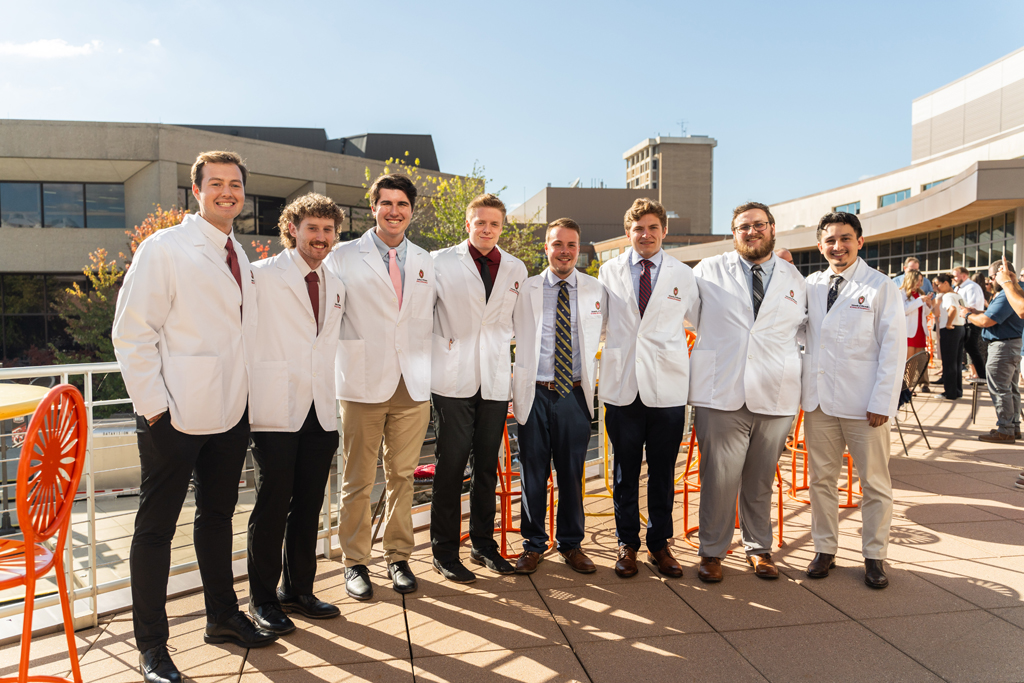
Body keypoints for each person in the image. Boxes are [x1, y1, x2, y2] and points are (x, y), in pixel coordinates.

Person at [112, 151, 275, 683]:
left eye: (235, 184)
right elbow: (132, 333)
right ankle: (153, 647)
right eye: (216, 183)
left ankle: (222, 617)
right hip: (173, 417)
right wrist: (155, 411)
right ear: (196, 190)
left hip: (229, 414)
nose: (227, 192)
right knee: (156, 530)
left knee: (216, 517)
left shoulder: (237, 252)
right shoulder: (165, 248)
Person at [325, 173, 436, 600]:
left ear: (412, 209)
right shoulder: (343, 256)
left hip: (412, 383)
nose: (394, 211)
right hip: (361, 381)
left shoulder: (427, 261)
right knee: (356, 478)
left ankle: (399, 556)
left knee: (402, 476)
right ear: (373, 207)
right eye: (385, 203)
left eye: (402, 204)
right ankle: (355, 562)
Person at [688, 202, 807, 583]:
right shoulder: (707, 271)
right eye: (743, 227)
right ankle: (713, 551)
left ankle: (759, 549)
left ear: (772, 229)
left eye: (759, 225)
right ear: (734, 232)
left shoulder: (796, 279)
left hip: (775, 393)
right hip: (721, 390)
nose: (751, 231)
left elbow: (804, 333)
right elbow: (686, 318)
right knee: (719, 478)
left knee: (760, 479)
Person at [246, 193, 345, 634]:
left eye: (328, 230)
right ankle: (263, 599)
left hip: (321, 409)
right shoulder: (262, 276)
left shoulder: (336, 282)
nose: (320, 237)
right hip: (276, 407)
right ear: (293, 229)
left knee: (308, 504)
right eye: (312, 229)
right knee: (272, 505)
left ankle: (299, 590)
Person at [802, 212, 906, 590]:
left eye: (845, 238)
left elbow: (893, 349)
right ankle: (824, 548)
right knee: (821, 481)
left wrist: (883, 401)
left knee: (875, 483)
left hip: (865, 405)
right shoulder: (811, 284)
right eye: (830, 240)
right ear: (820, 245)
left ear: (860, 242)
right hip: (818, 403)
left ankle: (875, 556)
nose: (838, 246)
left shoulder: (880, 287)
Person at [598, 198, 700, 579]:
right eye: (638, 229)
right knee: (625, 472)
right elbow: (598, 324)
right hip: (623, 387)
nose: (646, 234)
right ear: (629, 233)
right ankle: (627, 544)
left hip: (667, 387)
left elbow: (704, 323)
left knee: (661, 472)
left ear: (664, 232)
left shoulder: (683, 275)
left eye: (653, 228)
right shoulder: (608, 271)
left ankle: (660, 544)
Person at [429, 194, 527, 583]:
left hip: (495, 376)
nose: (487, 229)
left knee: (488, 465)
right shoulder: (439, 262)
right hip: (451, 376)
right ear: (467, 223)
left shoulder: (515, 267)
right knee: (451, 466)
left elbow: (517, 322)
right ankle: (445, 551)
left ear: (502, 227)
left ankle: (484, 544)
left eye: (494, 224)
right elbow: (424, 316)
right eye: (480, 222)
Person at [511, 218, 607, 575]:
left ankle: (571, 544)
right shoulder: (527, 288)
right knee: (533, 474)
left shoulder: (597, 290)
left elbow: (612, 332)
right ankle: (533, 546)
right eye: (557, 244)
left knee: (571, 474)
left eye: (571, 245)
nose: (564, 251)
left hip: (574, 394)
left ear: (578, 249)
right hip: (534, 392)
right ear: (546, 248)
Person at [963, 259, 1024, 443]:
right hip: (1011, 344)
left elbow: (986, 322)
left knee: (1000, 389)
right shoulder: (1012, 289)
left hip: (1003, 346)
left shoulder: (1008, 291)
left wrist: (967, 315)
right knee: (1010, 389)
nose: (989, 281)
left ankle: (1006, 430)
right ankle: (1012, 427)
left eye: (992, 277)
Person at [932, 274, 966, 400]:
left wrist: (948, 323)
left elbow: (952, 309)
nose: (936, 287)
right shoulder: (958, 295)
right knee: (956, 362)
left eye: (938, 284)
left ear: (946, 283)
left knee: (949, 362)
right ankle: (957, 390)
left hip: (951, 329)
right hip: (960, 328)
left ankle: (949, 392)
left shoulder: (948, 296)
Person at [900, 270, 932, 393]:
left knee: (919, 360)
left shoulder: (920, 293)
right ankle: (905, 387)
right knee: (908, 361)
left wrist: (928, 305)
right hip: (908, 331)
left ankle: (914, 386)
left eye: (921, 280)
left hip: (920, 330)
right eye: (918, 280)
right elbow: (904, 310)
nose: (920, 283)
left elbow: (925, 313)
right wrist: (920, 301)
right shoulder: (901, 293)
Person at [953, 266, 988, 380]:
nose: (953, 278)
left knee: (972, 349)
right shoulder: (959, 287)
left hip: (971, 322)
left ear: (964, 276)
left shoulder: (971, 287)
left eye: (955, 276)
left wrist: (962, 310)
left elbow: (972, 306)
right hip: (963, 322)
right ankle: (979, 374)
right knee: (968, 349)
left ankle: (981, 375)